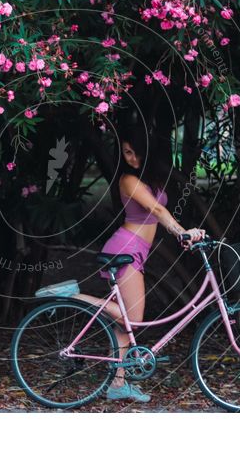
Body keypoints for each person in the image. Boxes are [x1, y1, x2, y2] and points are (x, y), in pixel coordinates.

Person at [74, 127, 206, 402]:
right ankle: (74, 297)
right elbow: (157, 211)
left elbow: (159, 214)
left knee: (126, 326)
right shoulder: (128, 179)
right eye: (126, 153)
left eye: (135, 152)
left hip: (136, 249)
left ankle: (118, 384)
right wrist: (181, 231)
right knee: (131, 318)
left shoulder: (152, 179)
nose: (131, 158)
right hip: (126, 248)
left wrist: (182, 235)